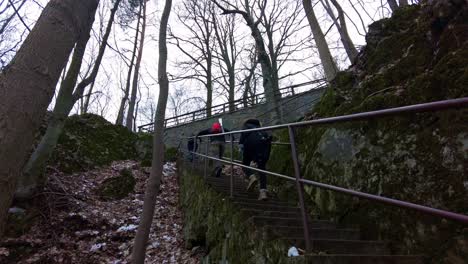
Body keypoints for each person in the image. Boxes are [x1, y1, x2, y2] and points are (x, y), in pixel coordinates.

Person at [239, 119, 272, 201]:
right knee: (262, 168)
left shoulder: (246, 127)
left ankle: (252, 177)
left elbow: (241, 142)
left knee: (244, 164)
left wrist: (242, 150)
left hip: (250, 145)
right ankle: (263, 192)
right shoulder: (261, 130)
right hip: (264, 144)